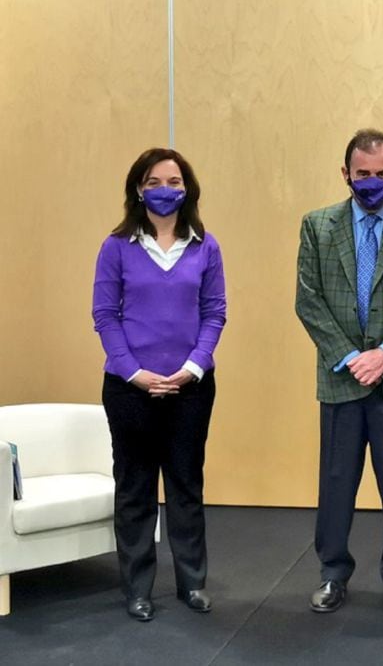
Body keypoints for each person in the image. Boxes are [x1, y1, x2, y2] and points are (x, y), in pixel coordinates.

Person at [295, 128, 383, 617]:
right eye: (363, 174)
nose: (373, 182)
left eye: (382, 174)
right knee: (336, 481)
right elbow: (308, 300)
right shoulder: (317, 226)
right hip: (340, 376)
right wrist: (349, 355)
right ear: (346, 175)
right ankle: (332, 574)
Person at [92, 148, 226, 622]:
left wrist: (194, 366)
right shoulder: (116, 247)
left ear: (187, 189)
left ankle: (193, 583)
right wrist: (133, 371)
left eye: (173, 181)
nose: (164, 190)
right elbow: (105, 316)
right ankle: (138, 588)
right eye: (154, 182)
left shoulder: (204, 246)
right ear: (138, 189)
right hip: (130, 390)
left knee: (187, 484)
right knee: (135, 488)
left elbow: (214, 313)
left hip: (190, 388)